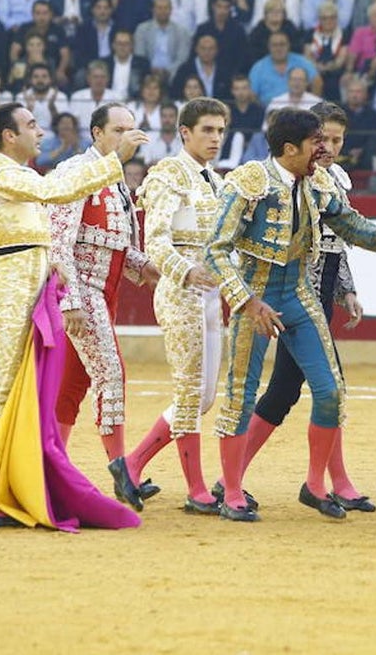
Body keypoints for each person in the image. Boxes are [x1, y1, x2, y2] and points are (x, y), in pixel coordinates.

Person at [205, 107, 376, 521]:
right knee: (241, 397)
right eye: (316, 141)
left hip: (298, 291)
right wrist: (246, 301)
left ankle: (316, 484)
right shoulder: (247, 182)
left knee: (331, 391)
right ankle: (231, 492)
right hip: (255, 295)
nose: (324, 149)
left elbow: (347, 222)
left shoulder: (317, 181)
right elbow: (216, 249)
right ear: (289, 148)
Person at [0, 102, 139, 527]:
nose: (40, 132)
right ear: (9, 135)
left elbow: (42, 227)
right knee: (1, 389)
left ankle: (10, 487)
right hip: (11, 291)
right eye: (31, 125)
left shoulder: (20, 177)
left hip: (34, 290)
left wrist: (57, 268)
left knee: (27, 391)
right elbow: (53, 193)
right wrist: (114, 161)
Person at [232, 102, 373, 512]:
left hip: (320, 290)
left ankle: (233, 478)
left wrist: (345, 289)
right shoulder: (298, 180)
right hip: (297, 292)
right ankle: (331, 481)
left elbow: (336, 244)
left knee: (286, 390)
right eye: (323, 138)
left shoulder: (334, 180)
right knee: (321, 386)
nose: (328, 146)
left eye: (336, 139)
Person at [48, 103, 158, 511]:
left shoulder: (113, 180)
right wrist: (71, 300)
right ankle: (121, 469)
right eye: (118, 129)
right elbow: (58, 241)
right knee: (111, 372)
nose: (128, 136)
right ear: (96, 133)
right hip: (84, 293)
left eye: (132, 129)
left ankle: (51, 463)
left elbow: (111, 241)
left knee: (73, 386)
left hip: (106, 293)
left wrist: (142, 264)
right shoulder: (77, 172)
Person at [125, 98, 228, 515]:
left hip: (209, 291)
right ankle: (197, 489)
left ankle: (130, 464)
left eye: (220, 131)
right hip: (181, 290)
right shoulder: (169, 173)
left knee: (203, 397)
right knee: (190, 393)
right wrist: (185, 271)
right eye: (207, 130)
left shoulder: (216, 182)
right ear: (185, 132)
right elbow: (156, 240)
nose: (215, 138)